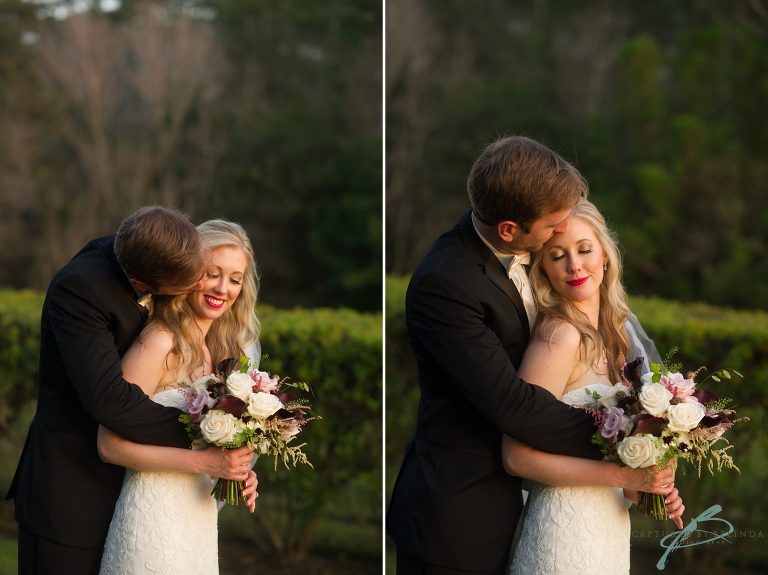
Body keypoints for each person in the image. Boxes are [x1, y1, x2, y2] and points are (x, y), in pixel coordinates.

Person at [386, 136, 675, 575]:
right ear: (510, 230)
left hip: (545, 511)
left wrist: (650, 455)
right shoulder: (444, 284)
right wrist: (632, 442)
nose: (562, 232)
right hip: (459, 519)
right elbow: (512, 405)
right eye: (554, 228)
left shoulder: (560, 285)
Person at [7, 207, 252, 575]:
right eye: (205, 275)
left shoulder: (155, 260)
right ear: (153, 283)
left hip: (147, 502)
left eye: (233, 278)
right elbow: (109, 400)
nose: (211, 286)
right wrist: (208, 436)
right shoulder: (84, 290)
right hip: (71, 492)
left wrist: (234, 454)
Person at [503, 198, 683, 574]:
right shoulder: (559, 337)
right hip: (562, 534)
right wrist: (622, 475)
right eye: (557, 256)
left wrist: (648, 487)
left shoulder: (619, 333)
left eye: (584, 249)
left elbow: (615, 463)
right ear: (544, 271)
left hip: (610, 528)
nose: (574, 265)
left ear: (604, 254)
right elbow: (515, 456)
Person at [97, 219, 260, 574]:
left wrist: (236, 469)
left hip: (197, 518)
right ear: (188, 274)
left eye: (234, 279)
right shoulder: (158, 341)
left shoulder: (222, 355)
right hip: (151, 517)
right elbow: (109, 446)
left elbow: (208, 445)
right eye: (212, 273)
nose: (222, 288)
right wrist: (207, 463)